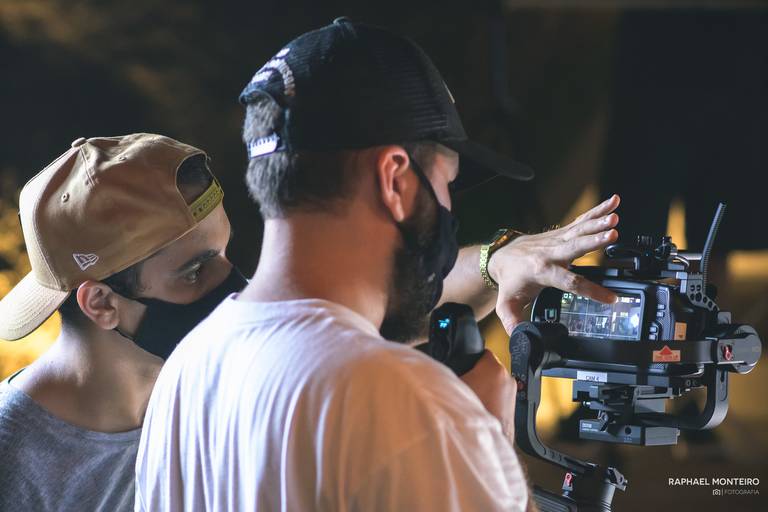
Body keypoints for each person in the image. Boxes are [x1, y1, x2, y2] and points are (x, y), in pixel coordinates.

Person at [135, 19, 621, 512]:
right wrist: (487, 442)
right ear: (394, 179)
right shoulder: (406, 401)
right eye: (447, 183)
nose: (448, 209)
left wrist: (496, 263)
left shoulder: (185, 371)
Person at [0, 133, 246, 511]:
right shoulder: (12, 465)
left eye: (225, 253)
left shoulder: (216, 403)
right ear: (101, 303)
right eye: (194, 272)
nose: (237, 288)